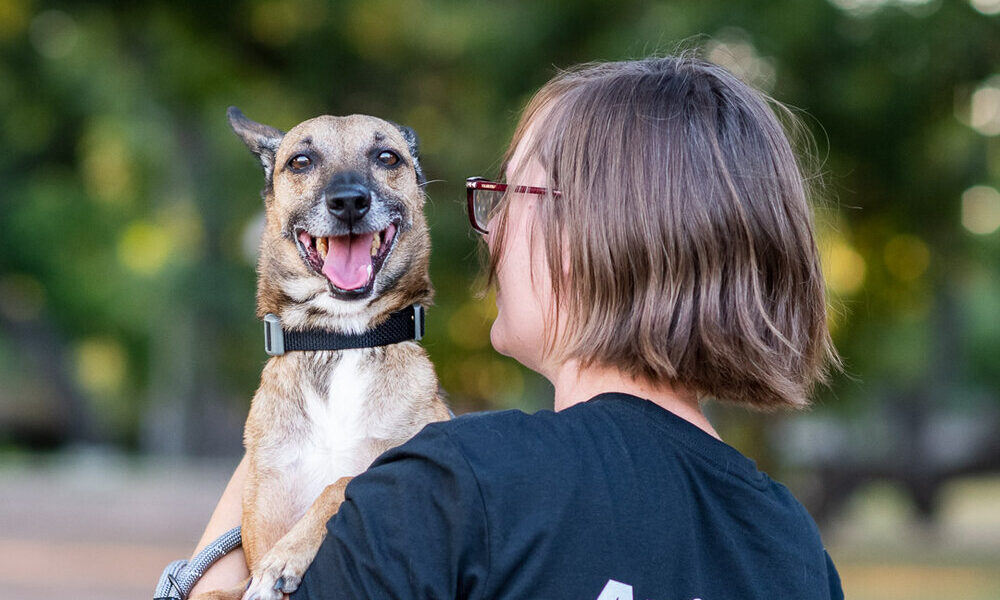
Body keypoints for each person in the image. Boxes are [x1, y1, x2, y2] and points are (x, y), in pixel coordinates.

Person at [190, 54, 844, 599]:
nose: (491, 227)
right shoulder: (793, 546)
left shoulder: (446, 488)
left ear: (593, 232)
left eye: (511, 195)